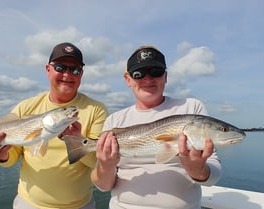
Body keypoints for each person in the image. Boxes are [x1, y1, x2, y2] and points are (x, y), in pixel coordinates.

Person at [91, 46, 222, 209]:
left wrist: (197, 169)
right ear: (128, 79)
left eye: (156, 71)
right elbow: (103, 185)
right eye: (138, 73)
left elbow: (214, 174)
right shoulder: (114, 121)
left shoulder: (191, 108)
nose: (147, 79)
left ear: (165, 76)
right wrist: (106, 165)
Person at [0, 42, 108, 209]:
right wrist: (0, 155)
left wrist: (76, 141)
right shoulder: (25, 107)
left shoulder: (97, 110)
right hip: (29, 204)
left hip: (80, 205)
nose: (67, 75)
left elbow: (97, 162)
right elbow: (10, 158)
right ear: (48, 69)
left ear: (81, 74)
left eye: (75, 70)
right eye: (60, 67)